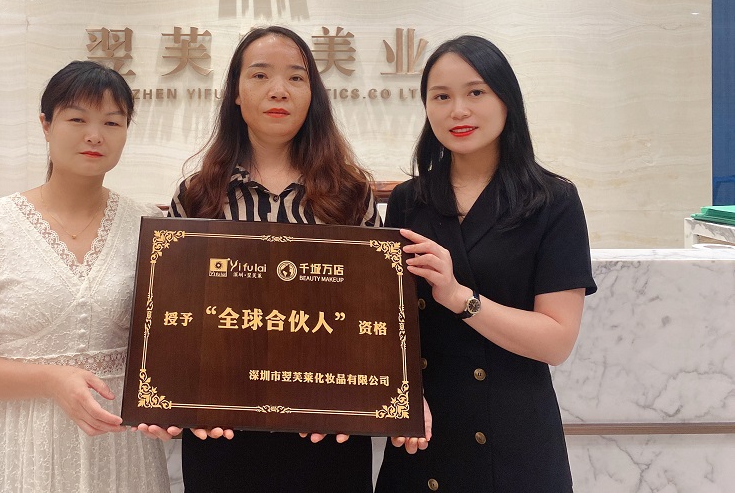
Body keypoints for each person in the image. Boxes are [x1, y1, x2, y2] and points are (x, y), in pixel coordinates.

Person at [157, 25, 384, 493]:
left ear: (312, 95)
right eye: (260, 75)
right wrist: (172, 399)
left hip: (328, 431)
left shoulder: (350, 194)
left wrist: (365, 399)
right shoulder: (199, 196)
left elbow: (375, 311)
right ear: (236, 94)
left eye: (296, 78)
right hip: (221, 430)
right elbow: (174, 317)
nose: (279, 90)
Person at [0, 60, 169, 493]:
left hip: (120, 445)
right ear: (46, 124)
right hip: (24, 443)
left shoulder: (149, 226)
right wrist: (51, 380)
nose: (95, 135)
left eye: (112, 122)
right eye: (77, 119)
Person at [375, 35, 597, 493]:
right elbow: (390, 327)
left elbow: (557, 341)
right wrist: (401, 398)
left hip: (515, 439)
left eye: (475, 92)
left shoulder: (552, 201)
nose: (458, 110)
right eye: (441, 97)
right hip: (424, 434)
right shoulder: (409, 200)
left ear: (506, 99)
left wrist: (460, 297)